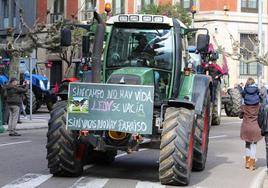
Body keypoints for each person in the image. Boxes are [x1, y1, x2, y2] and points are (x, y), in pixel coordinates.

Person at [240, 77, 262, 170]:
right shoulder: (258, 104)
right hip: (256, 126)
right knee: (254, 144)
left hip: (246, 126)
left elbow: (240, 115)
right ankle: (252, 164)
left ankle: (247, 163)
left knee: (248, 144)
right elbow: (261, 115)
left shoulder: (244, 104)